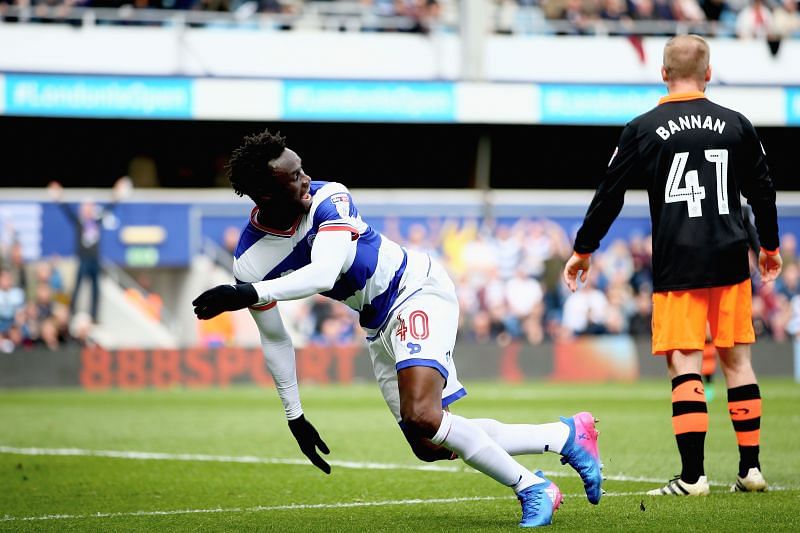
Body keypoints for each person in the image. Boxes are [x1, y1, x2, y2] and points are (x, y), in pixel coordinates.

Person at [192, 130, 603, 527]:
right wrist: (294, 414)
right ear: (265, 193)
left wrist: (247, 294)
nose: (306, 181)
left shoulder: (328, 196)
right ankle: (564, 434)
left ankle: (532, 488)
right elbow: (276, 337)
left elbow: (323, 273)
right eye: (294, 177)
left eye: (302, 170)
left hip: (414, 289)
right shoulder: (250, 262)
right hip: (376, 322)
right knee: (427, 443)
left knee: (424, 417)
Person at [563, 34, 781, 496]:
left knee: (684, 361)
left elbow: (610, 195)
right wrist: (770, 246)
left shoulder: (642, 128)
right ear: (708, 72)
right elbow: (763, 189)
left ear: (663, 73)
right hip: (729, 253)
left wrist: (584, 249)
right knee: (738, 361)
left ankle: (693, 477)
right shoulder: (737, 124)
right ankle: (751, 470)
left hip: (678, 258)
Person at [48, 177, 131, 323]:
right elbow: (66, 210)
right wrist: (58, 196)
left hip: (94, 259)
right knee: (78, 287)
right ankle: (72, 313)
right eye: (85, 207)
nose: (87, 210)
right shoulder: (79, 222)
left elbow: (109, 208)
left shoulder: (96, 222)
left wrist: (117, 194)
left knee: (95, 290)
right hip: (83, 259)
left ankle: (94, 316)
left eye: (90, 207)